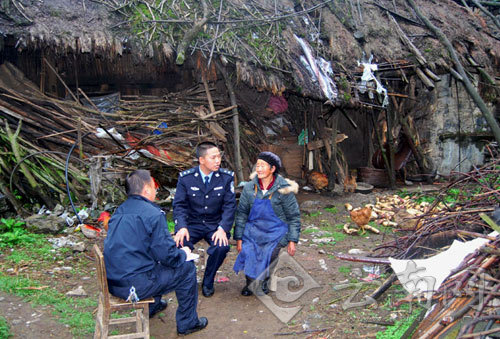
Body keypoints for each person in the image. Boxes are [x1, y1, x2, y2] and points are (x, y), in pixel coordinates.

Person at [104, 170, 208, 335]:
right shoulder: (153, 214)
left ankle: (153, 305)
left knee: (155, 261)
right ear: (146, 189)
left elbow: (143, 246)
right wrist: (183, 253)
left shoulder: (120, 211)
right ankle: (188, 323)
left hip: (114, 283)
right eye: (154, 187)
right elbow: (169, 257)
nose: (156, 190)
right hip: (135, 287)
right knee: (186, 269)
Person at [173, 141, 236, 297]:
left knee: (221, 247)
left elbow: (229, 206)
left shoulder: (226, 178)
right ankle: (187, 280)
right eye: (213, 157)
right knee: (178, 245)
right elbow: (179, 205)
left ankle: (208, 279)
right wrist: (181, 226)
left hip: (214, 224)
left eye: (218, 157)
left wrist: (223, 228)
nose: (218, 161)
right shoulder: (186, 178)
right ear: (201, 160)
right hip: (191, 224)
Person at [233, 151, 301, 296]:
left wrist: (292, 240)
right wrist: (239, 237)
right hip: (254, 230)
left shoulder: (284, 189)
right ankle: (250, 283)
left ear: (272, 169)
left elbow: (293, 217)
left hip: (275, 232)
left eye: (263, 166)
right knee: (248, 251)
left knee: (269, 253)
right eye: (257, 165)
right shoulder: (250, 188)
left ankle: (265, 281)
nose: (259, 169)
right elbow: (242, 214)